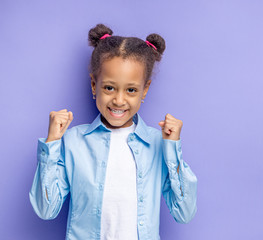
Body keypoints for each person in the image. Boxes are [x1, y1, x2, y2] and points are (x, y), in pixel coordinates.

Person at [29, 23, 197, 240]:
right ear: (93, 85)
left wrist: (172, 149)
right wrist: (51, 143)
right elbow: (45, 210)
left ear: (144, 90)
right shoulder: (72, 141)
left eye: (131, 90)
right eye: (109, 87)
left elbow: (184, 213)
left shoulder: (159, 144)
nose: (119, 100)